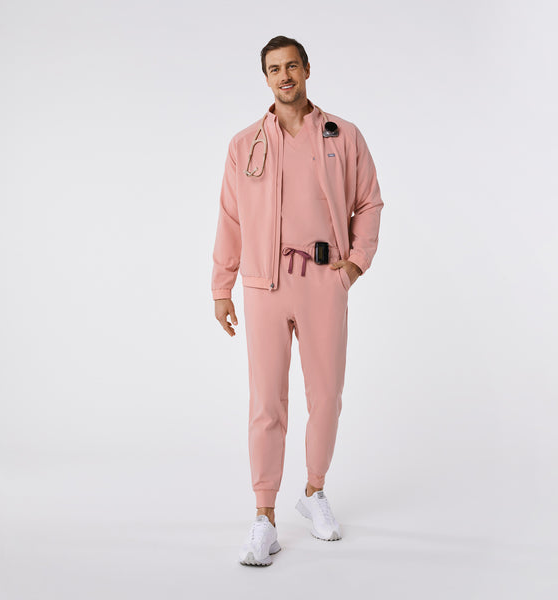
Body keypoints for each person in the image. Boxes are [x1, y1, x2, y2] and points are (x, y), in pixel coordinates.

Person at [211, 35, 384, 566]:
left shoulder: (342, 135)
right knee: (267, 401)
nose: (284, 76)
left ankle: (314, 491)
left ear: (307, 69)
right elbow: (230, 218)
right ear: (265, 78)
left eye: (291, 66)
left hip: (323, 282)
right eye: (274, 69)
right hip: (263, 285)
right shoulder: (245, 144)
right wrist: (222, 286)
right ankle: (264, 518)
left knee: (326, 395)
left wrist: (354, 264)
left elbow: (369, 202)